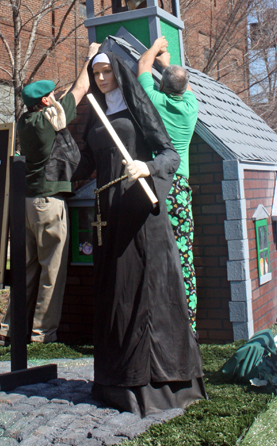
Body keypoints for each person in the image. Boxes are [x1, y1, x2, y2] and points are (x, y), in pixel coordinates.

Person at [71, 51, 206, 417]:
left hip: (141, 215)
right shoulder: (95, 115)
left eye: (106, 72)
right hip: (108, 216)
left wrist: (147, 167)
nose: (101, 79)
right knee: (117, 298)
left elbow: (170, 155)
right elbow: (84, 164)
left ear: (118, 71)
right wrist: (52, 138)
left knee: (148, 297)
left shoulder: (138, 105)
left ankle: (158, 385)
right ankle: (117, 382)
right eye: (95, 73)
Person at [0, 42, 100, 345]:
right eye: (51, 94)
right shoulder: (50, 120)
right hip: (48, 205)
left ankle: (9, 328)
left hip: (25, 205)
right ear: (45, 100)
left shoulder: (26, 122)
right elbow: (81, 88)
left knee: (25, 271)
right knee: (51, 271)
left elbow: (64, 94)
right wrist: (90, 57)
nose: (55, 96)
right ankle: (43, 334)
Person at [137, 36, 199, 334]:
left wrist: (155, 47)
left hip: (158, 184)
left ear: (163, 86)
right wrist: (169, 65)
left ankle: (160, 322)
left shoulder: (155, 101)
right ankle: (189, 324)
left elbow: (141, 66)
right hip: (182, 189)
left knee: (157, 252)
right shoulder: (190, 108)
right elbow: (184, 85)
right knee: (183, 253)